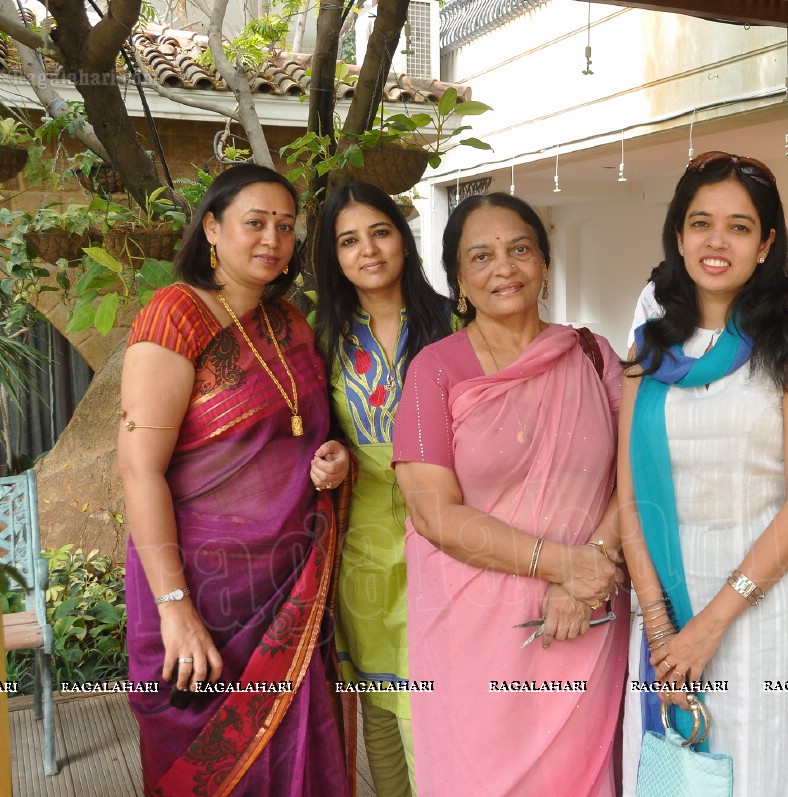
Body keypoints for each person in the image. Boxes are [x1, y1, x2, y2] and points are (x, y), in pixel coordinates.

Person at [118, 164, 351, 796]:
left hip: (287, 587)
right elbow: (139, 470)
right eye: (255, 223)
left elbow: (301, 439)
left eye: (285, 226)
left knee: (293, 762)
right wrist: (175, 610)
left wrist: (331, 462)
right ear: (213, 228)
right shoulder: (176, 317)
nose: (272, 239)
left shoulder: (292, 325)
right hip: (202, 593)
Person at [619, 151, 788, 795]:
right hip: (664, 602)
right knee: (675, 773)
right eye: (701, 223)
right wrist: (663, 627)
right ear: (679, 236)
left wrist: (708, 628)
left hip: (762, 607)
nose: (717, 241)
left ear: (766, 243)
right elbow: (627, 497)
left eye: (740, 227)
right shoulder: (648, 350)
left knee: (761, 768)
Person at [393, 193, 627, 796]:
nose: (505, 267)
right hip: (476, 628)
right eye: (482, 255)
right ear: (459, 279)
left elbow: (637, 475)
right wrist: (564, 568)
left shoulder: (593, 355)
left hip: (587, 614)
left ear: (545, 264)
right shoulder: (433, 371)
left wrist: (587, 574)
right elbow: (432, 512)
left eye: (520, 248)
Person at [313, 181, 457, 796]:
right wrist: (329, 457)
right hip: (365, 541)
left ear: (404, 237)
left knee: (436, 699)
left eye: (380, 232)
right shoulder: (321, 339)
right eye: (349, 240)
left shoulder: (457, 322)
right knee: (378, 697)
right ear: (333, 257)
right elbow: (309, 431)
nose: (367, 250)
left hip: (451, 532)